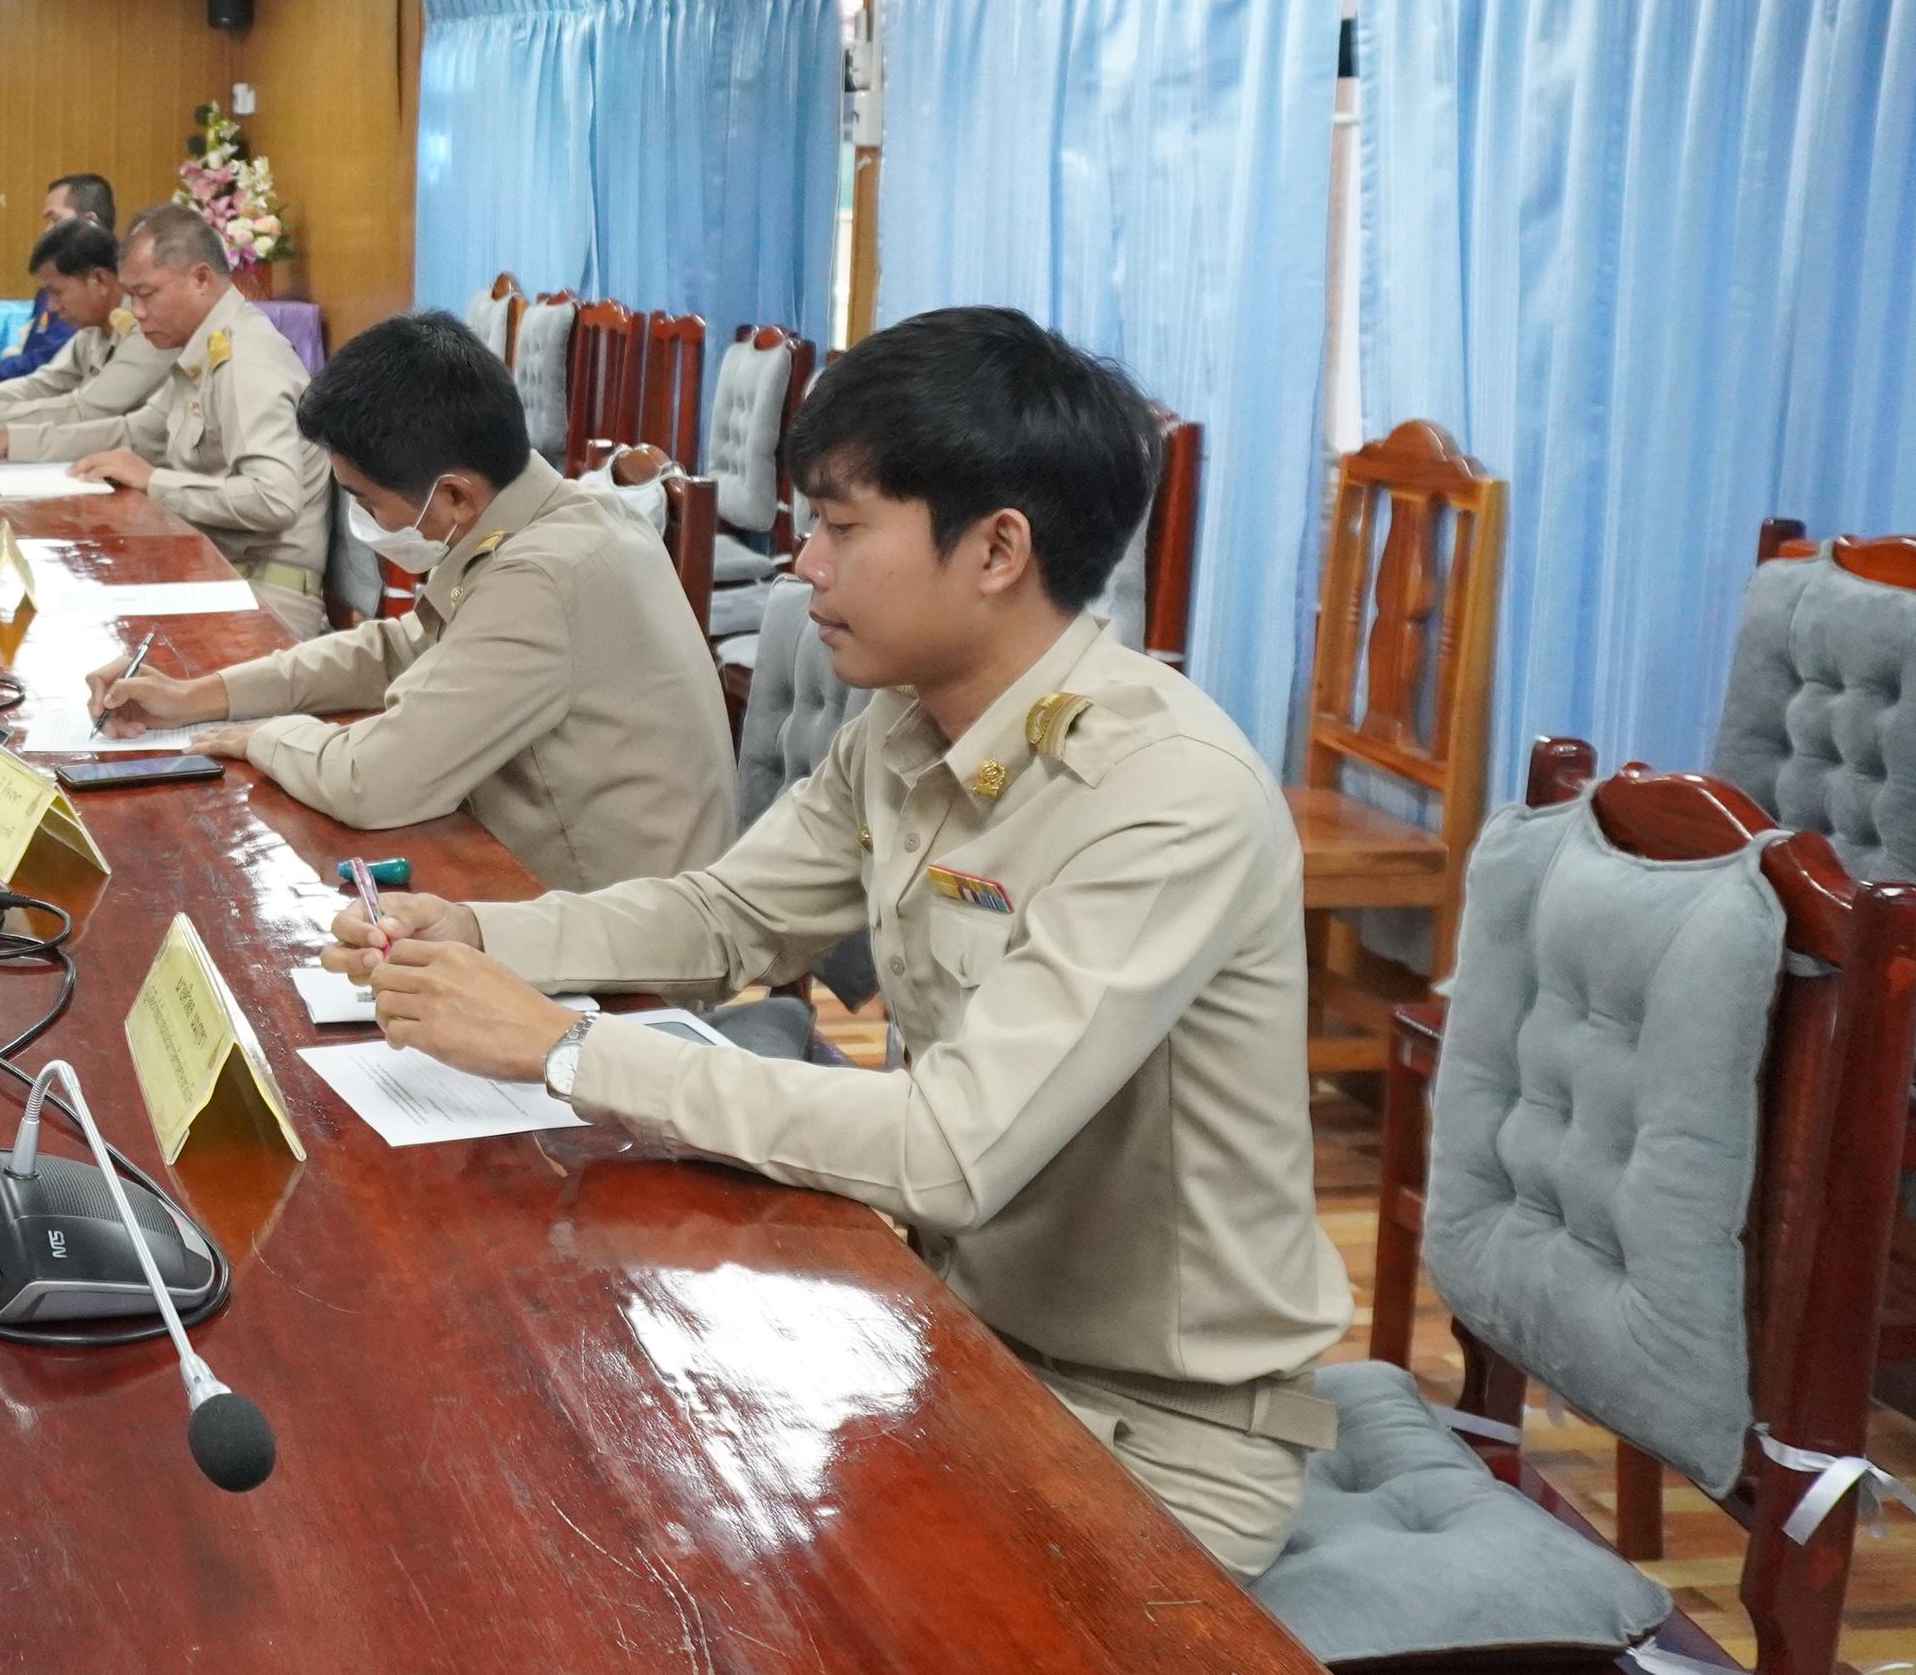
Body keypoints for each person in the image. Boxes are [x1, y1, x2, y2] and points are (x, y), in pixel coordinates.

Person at [327, 307, 1344, 1581]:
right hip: (958, 1336)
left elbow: (949, 1148)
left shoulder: (1160, 796)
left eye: (843, 527)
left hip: (1155, 1434)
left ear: (997, 548)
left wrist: (571, 1051)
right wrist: (480, 928)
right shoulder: (911, 731)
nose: (803, 566)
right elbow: (722, 914)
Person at [88, 311, 730, 891]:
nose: (364, 519)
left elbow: (375, 783)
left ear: (454, 494)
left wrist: (260, 737)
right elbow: (406, 646)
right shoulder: (547, 513)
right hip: (554, 870)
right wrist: (199, 695)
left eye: (365, 500)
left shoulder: (541, 575)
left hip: (613, 929)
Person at [0, 202, 330, 639]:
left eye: (146, 294)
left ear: (201, 279)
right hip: (212, 572)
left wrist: (154, 483)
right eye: (130, 295)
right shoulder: (201, 349)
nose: (135, 312)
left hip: (265, 595)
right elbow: (133, 433)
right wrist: (9, 442)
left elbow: (273, 500)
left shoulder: (246, 360)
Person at [0, 216, 169, 443]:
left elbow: (85, 410)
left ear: (98, 279)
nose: (50, 306)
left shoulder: (149, 328)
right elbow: (42, 385)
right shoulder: (93, 328)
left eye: (57, 292)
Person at [0, 171, 116, 383]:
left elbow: (47, 363)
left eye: (55, 219)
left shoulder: (94, 294)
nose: (46, 231)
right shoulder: (57, 279)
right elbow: (45, 372)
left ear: (89, 223)